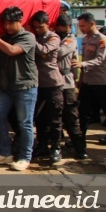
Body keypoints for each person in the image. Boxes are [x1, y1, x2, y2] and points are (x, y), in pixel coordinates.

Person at [0, 7, 38, 171]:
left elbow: (12, 50)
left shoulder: (28, 37)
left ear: (20, 22)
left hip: (25, 86)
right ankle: (4, 153)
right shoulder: (4, 37)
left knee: (25, 123)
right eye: (5, 23)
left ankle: (24, 157)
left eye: (10, 23)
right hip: (5, 87)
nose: (7, 26)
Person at [29, 11, 64, 164]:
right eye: (35, 27)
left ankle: (56, 148)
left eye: (40, 27)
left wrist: (30, 38)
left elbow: (43, 50)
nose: (37, 30)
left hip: (52, 83)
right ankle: (42, 145)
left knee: (55, 118)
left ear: (48, 24)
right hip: (37, 84)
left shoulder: (53, 37)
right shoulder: (34, 37)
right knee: (39, 118)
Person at [55, 14, 87, 159]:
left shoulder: (70, 39)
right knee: (54, 117)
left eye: (62, 27)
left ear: (68, 27)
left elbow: (60, 52)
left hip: (66, 82)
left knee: (71, 117)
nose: (60, 29)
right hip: (53, 81)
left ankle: (80, 148)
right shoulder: (55, 37)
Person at [72, 13, 106, 146]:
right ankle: (80, 141)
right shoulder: (86, 39)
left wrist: (82, 65)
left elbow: (99, 60)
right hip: (87, 81)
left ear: (91, 24)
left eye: (83, 25)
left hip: (101, 82)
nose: (81, 28)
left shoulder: (102, 39)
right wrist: (80, 78)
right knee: (83, 112)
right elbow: (85, 60)